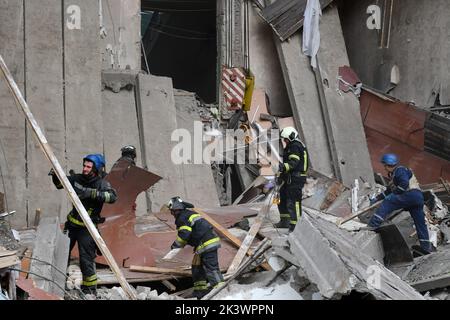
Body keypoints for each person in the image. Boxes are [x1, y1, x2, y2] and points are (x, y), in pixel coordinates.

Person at [50, 154, 117, 295]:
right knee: (62, 255)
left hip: (87, 229)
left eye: (88, 167)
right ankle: (57, 285)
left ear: (96, 168)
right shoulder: (77, 178)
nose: (85, 169)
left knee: (86, 260)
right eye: (84, 166)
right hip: (72, 226)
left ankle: (89, 291)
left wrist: (92, 193)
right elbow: (59, 185)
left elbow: (112, 197)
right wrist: (55, 176)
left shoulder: (101, 183)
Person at [368, 153, 432, 254]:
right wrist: (377, 198)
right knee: (420, 223)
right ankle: (426, 247)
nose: (384, 168)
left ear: (388, 165)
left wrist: (393, 195)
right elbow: (389, 190)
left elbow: (404, 184)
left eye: (385, 165)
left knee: (388, 202)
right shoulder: (395, 174)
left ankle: (372, 225)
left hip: (410, 195)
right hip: (418, 198)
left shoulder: (400, 170)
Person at [167, 196, 224, 299]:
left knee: (211, 267)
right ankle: (200, 291)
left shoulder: (182, 217)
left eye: (172, 211)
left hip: (207, 244)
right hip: (202, 245)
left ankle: (221, 292)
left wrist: (175, 246)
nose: (172, 214)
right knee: (196, 266)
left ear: (175, 210)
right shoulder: (188, 214)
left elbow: (185, 234)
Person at [276, 127, 309, 233]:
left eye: (285, 139)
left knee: (293, 201)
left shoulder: (295, 146)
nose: (284, 141)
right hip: (290, 177)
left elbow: (293, 162)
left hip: (296, 178)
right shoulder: (291, 146)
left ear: (291, 137)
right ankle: (285, 221)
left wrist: (283, 167)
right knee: (283, 198)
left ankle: (296, 225)